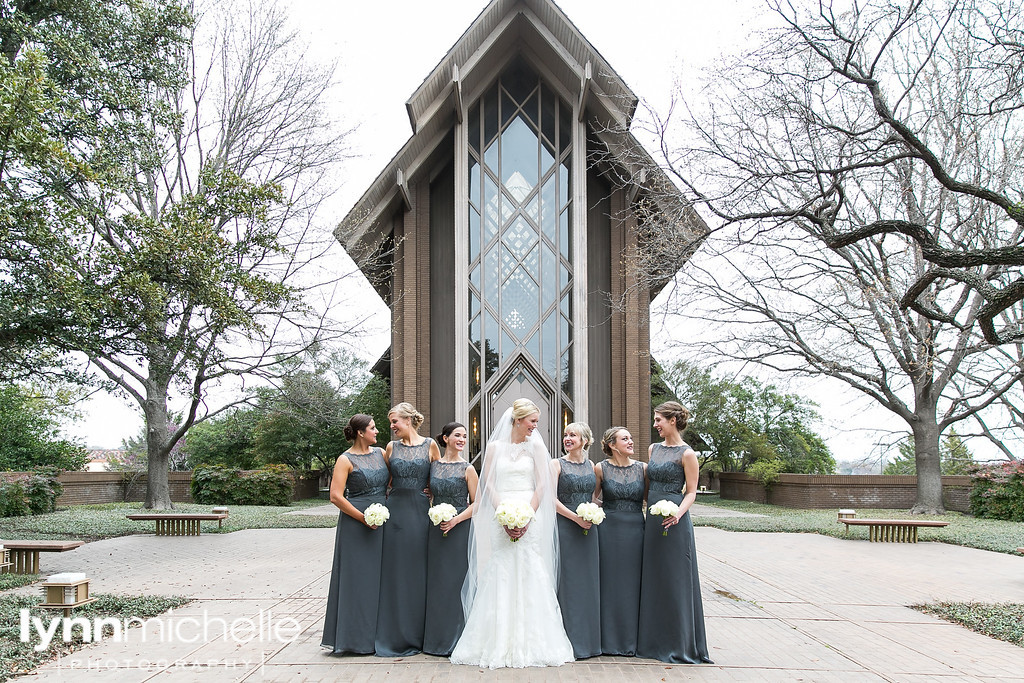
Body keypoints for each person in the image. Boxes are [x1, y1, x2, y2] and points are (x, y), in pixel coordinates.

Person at [450, 398, 574, 668]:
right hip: (501, 512)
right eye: (532, 421)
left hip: (531, 512)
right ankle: (495, 639)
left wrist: (527, 516)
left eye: (536, 422)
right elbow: (489, 485)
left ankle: (533, 641)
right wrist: (502, 514)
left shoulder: (537, 448)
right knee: (501, 569)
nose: (534, 427)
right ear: (518, 420)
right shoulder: (494, 448)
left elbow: (542, 486)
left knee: (530, 569)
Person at [637, 401, 712, 664]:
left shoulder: (688, 454)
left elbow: (691, 492)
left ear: (672, 421)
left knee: (675, 580)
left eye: (658, 420)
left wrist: (677, 514)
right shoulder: (653, 449)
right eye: (655, 419)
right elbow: (647, 485)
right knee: (653, 578)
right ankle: (651, 641)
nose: (655, 424)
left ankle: (678, 643)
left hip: (676, 521)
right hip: (653, 522)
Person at [375, 402, 441, 657]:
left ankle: (420, 632)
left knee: (419, 570)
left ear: (408, 420)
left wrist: (432, 492)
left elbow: (439, 476)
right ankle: (393, 632)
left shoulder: (430, 445)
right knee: (395, 571)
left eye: (395, 422)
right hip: (396, 512)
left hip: (420, 512)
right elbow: (386, 481)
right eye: (391, 423)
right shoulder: (391, 448)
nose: (391, 427)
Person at [322, 414, 389, 655]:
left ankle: (379, 636)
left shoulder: (381, 454)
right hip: (355, 523)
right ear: (361, 432)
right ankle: (353, 638)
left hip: (383, 520)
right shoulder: (345, 459)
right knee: (357, 580)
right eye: (373, 428)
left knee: (381, 580)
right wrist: (362, 518)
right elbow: (335, 496)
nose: (377, 431)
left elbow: (392, 482)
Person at [423, 422, 479, 656]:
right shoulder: (433, 467)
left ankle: (458, 639)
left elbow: (477, 504)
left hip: (460, 529)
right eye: (457, 435)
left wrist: (455, 520)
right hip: (435, 530)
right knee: (437, 583)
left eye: (464, 436)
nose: (462, 440)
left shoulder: (468, 469)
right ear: (445, 438)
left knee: (457, 583)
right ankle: (435, 639)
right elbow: (427, 492)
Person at [551, 421, 601, 659]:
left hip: (589, 529)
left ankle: (588, 639)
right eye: (565, 435)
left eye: (573, 435)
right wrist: (575, 518)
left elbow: (593, 496)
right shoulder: (556, 464)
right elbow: (551, 499)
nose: (568, 438)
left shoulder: (591, 465)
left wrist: (593, 513)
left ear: (585, 441)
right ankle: (567, 638)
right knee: (568, 581)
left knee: (587, 581)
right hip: (565, 527)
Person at [594, 426, 646, 657]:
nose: (631, 441)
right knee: (611, 584)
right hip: (609, 531)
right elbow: (593, 497)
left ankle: (633, 640)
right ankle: (609, 640)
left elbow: (650, 499)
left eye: (631, 438)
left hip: (637, 530)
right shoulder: (600, 469)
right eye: (625, 439)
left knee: (634, 585)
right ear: (612, 445)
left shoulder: (644, 469)